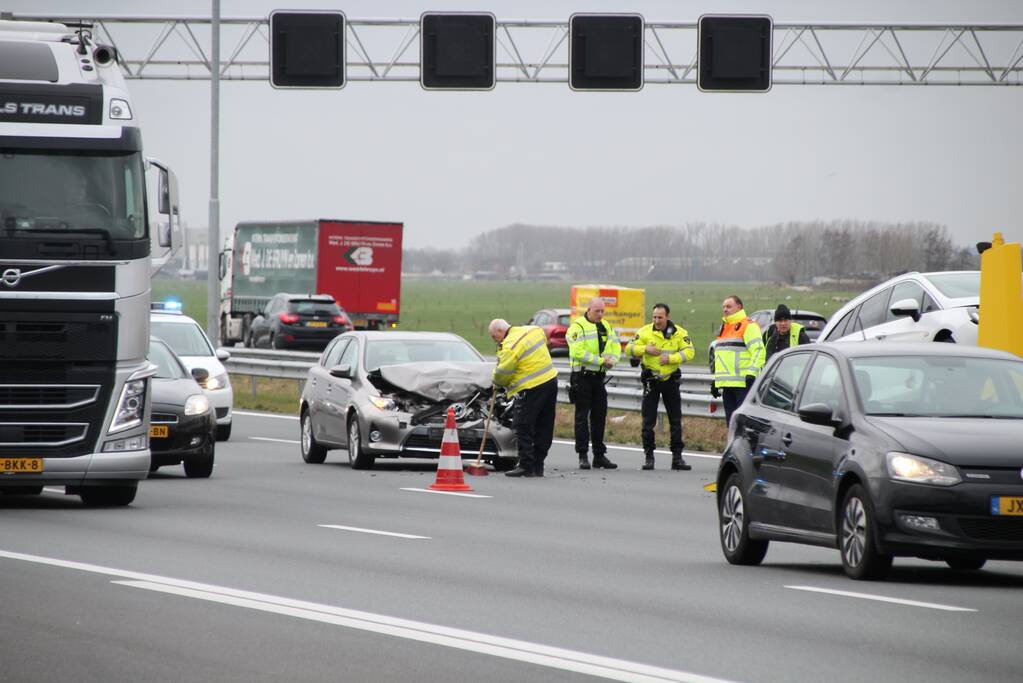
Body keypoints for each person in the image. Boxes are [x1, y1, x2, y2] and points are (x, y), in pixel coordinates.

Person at [626, 303, 695, 470]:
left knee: (675, 419)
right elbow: (629, 349)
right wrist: (645, 349)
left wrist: (671, 359)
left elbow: (690, 352)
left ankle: (677, 458)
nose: (657, 320)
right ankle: (649, 457)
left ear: (667, 317)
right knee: (648, 421)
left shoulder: (679, 333)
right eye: (654, 317)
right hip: (651, 380)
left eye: (660, 317)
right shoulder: (644, 332)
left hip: (670, 380)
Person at [489, 318, 559, 478]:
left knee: (522, 425)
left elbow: (502, 374)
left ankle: (526, 465)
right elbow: (543, 338)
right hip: (551, 381)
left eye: (494, 337)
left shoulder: (509, 346)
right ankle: (538, 465)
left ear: (500, 332)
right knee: (544, 426)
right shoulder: (533, 330)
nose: (495, 341)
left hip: (531, 388)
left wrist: (495, 381)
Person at [566, 297, 621, 470]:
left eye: (603, 311)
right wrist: (600, 361)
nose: (600, 314)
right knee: (582, 417)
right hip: (582, 377)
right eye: (597, 311)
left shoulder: (606, 326)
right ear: (589, 310)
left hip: (599, 378)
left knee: (600, 416)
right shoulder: (577, 327)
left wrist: (612, 360)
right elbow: (577, 351)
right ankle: (583, 455)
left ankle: (599, 455)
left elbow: (616, 346)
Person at [709, 295, 765, 425]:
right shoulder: (724, 328)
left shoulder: (748, 326)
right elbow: (721, 358)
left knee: (742, 424)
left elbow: (758, 351)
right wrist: (716, 381)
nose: (725, 309)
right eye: (723, 307)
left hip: (744, 384)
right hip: (727, 386)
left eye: (729, 306)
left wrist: (752, 373)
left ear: (739, 307)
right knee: (731, 424)